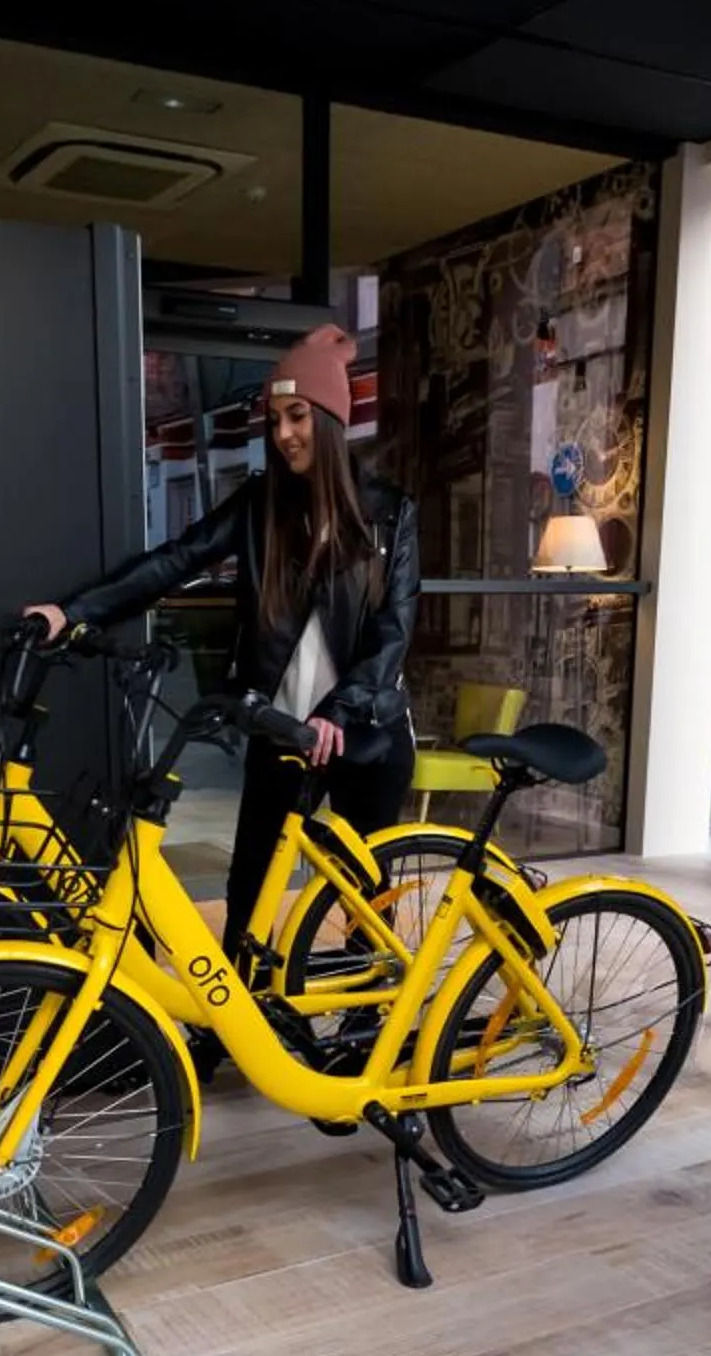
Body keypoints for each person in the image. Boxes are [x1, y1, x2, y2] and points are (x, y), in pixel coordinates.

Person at [26, 323, 419, 957]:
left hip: (364, 731)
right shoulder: (261, 506)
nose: (284, 432)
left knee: (365, 895)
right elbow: (175, 561)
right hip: (281, 730)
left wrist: (340, 713)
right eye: (275, 418)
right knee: (249, 889)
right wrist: (70, 612)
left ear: (328, 417)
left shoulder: (389, 513)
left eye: (297, 415)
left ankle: (366, 1028)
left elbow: (392, 631)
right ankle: (227, 1027)